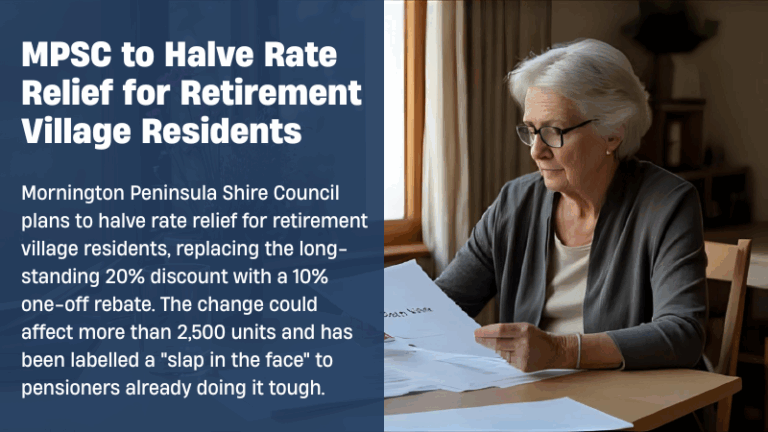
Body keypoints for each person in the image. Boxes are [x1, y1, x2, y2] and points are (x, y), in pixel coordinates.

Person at [435, 38, 707, 374]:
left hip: (633, 408)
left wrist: (563, 350)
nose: (537, 151)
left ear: (612, 134)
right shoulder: (515, 202)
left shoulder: (667, 203)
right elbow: (441, 306)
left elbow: (683, 334)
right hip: (535, 403)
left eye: (553, 131)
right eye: (531, 131)